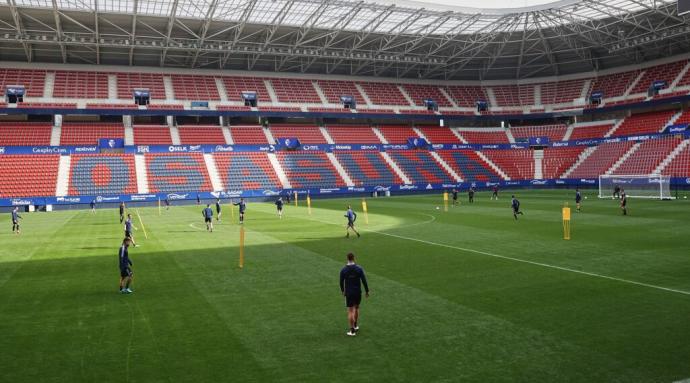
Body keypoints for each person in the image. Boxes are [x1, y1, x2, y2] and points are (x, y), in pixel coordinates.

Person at [339, 253, 369, 336]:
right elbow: (364, 280)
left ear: (347, 258)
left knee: (350, 311)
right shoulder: (359, 268)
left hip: (349, 292)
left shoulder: (344, 270)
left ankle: (352, 331)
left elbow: (341, 282)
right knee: (357, 307)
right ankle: (355, 325)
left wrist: (342, 290)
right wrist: (367, 291)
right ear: (354, 258)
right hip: (357, 292)